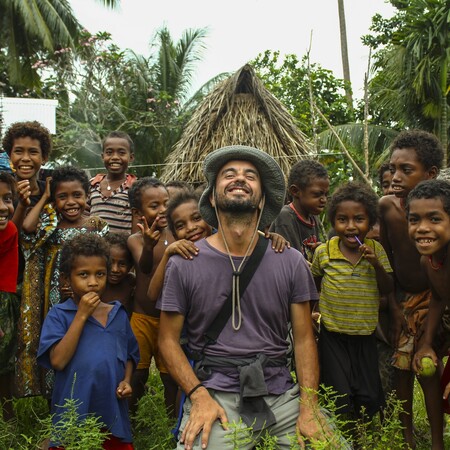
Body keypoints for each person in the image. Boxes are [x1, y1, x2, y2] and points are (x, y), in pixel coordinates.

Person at [158, 145, 333, 450]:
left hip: (281, 392)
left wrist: (309, 407)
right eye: (229, 174)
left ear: (262, 198)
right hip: (215, 392)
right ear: (212, 196)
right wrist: (198, 397)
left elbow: (305, 339)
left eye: (250, 176)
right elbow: (167, 341)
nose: (239, 179)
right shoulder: (185, 262)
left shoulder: (289, 260)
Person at [37, 234, 139, 450]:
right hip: (73, 413)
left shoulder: (117, 314)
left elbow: (129, 355)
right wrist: (82, 315)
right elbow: (58, 360)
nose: (93, 282)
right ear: (66, 279)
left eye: (100, 274)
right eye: (84, 275)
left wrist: (127, 381)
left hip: (112, 413)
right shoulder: (59, 315)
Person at [16, 166, 108, 398]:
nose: (70, 202)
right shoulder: (51, 227)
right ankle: (55, 403)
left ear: (87, 196)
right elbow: (26, 229)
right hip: (55, 304)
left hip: (89, 300)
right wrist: (45, 196)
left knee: (84, 349)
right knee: (59, 346)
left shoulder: (96, 226)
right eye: (62, 196)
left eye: (77, 195)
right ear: (54, 200)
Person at [379, 129, 444, 449]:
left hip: (436, 300)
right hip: (404, 300)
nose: (395, 176)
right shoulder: (387, 208)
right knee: (401, 369)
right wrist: (393, 306)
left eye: (407, 170)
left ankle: (436, 441)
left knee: (429, 370)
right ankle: (407, 439)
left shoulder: (441, 213)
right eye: (392, 168)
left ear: (429, 173)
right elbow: (388, 261)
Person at [311, 183, 393, 436]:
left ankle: (364, 435)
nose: (350, 226)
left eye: (359, 219)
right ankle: (341, 435)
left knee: (367, 393)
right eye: (342, 219)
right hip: (333, 335)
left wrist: (376, 264)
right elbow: (314, 284)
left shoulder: (376, 251)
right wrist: (314, 313)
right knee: (338, 391)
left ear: (369, 222)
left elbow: (388, 288)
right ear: (333, 221)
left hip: (365, 336)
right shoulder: (324, 253)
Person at [127, 177, 177, 415]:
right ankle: (130, 420)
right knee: (137, 373)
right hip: (143, 316)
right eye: (154, 206)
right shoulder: (135, 240)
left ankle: (170, 425)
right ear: (138, 212)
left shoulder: (179, 233)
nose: (162, 210)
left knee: (170, 376)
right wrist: (148, 245)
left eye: (166, 203)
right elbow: (144, 268)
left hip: (170, 318)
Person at [407, 181, 450, 412]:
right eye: (414, 220)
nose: (422, 228)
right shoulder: (428, 260)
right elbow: (438, 297)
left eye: (434, 219)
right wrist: (426, 344)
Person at [270, 159, 328, 262]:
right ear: (295, 191)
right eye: (317, 194)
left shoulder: (313, 217)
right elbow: (292, 261)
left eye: (325, 194)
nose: (324, 200)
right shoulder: (285, 217)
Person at [2, 121, 53, 227]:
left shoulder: (52, 192)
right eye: (18, 151)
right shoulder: (3, 194)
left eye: (33, 152)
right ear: (9, 156)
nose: (25, 158)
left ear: (44, 158)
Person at [88, 131, 137, 234]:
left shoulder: (135, 187)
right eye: (109, 152)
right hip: (94, 248)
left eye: (122, 153)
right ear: (102, 156)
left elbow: (137, 224)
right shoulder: (92, 184)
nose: (115, 157)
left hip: (122, 248)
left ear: (131, 157)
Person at [0, 172, 19, 420]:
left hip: (2, 297)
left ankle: (8, 417)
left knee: (5, 361)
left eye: (7, 198)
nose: (3, 207)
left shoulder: (10, 230)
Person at [103, 233, 135, 317]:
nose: (115, 269)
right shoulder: (96, 284)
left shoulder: (131, 283)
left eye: (122, 264)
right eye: (110, 262)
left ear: (130, 266)